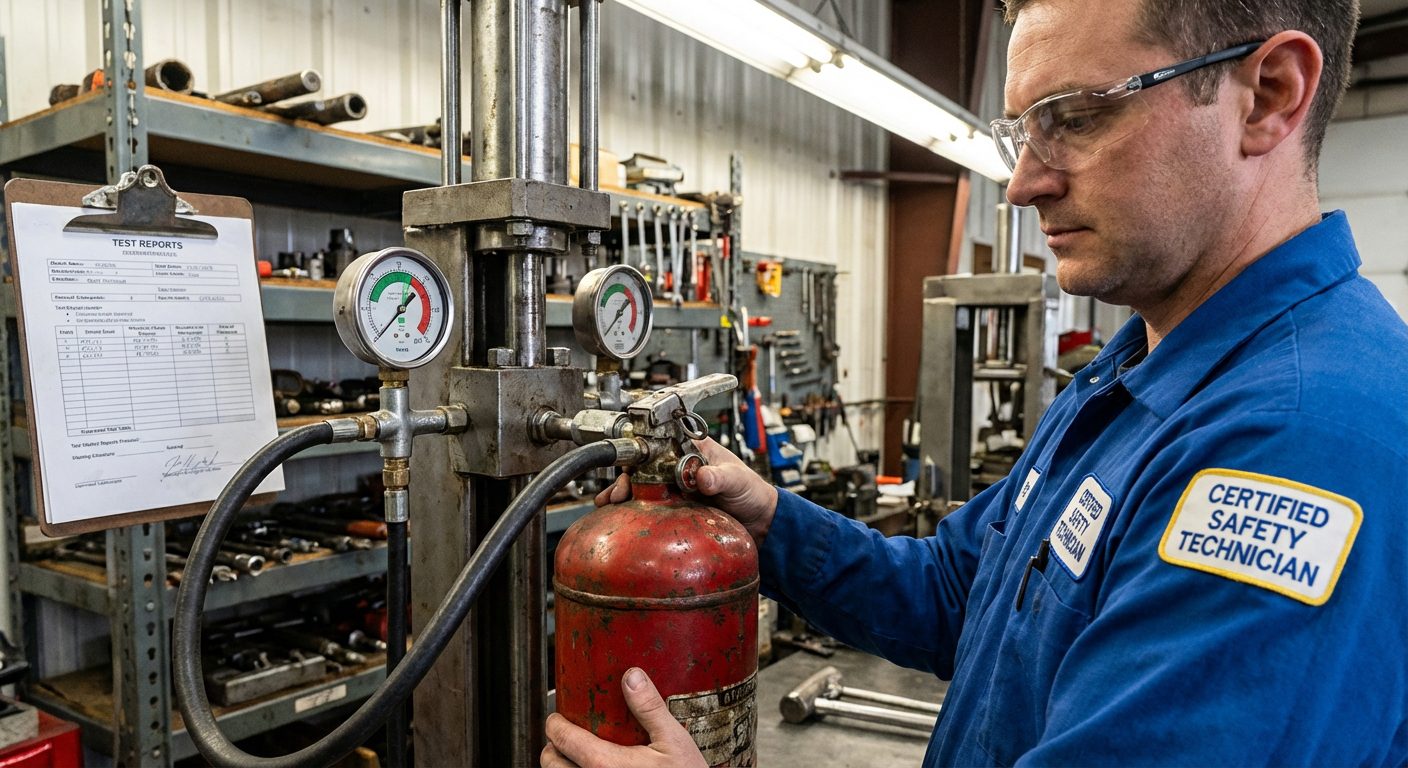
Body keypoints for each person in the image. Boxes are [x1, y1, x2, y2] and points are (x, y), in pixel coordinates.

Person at [543, 0, 1408, 764]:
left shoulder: (1298, 441)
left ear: (1269, 95)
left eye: (1074, 116)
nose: (1025, 181)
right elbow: (957, 595)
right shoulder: (1128, 379)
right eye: (1023, 130)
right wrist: (768, 520)